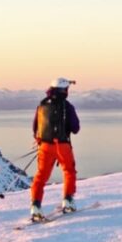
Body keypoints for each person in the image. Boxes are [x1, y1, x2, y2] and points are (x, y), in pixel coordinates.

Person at [30, 77, 80, 221]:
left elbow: (35, 128)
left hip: (44, 146)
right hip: (62, 145)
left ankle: (35, 206)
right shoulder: (67, 106)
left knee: (41, 176)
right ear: (64, 90)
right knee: (69, 171)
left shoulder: (42, 105)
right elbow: (76, 128)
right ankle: (68, 201)